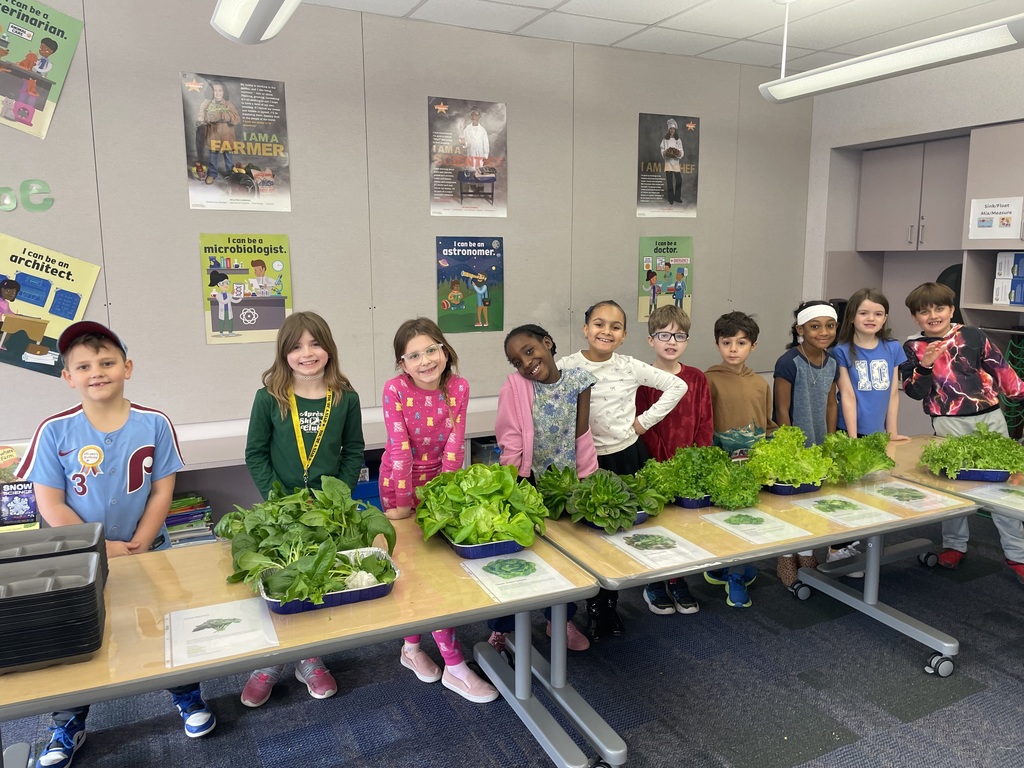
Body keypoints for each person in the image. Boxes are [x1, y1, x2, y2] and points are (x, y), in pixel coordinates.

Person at [16, 321, 216, 768]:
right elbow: (48, 501)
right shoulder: (54, 431)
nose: (97, 372)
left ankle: (187, 695)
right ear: (68, 377)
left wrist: (143, 538)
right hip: (80, 559)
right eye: (83, 366)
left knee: (165, 624)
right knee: (80, 635)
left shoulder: (154, 422)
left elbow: (163, 488)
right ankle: (67, 722)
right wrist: (98, 546)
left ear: (127, 367)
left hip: (149, 548)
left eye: (107, 362)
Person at [240, 311, 365, 707]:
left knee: (315, 583)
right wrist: (277, 498)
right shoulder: (269, 397)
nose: (306, 353)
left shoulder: (345, 398)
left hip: (327, 510)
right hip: (281, 509)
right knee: (278, 583)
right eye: (296, 346)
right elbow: (255, 453)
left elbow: (354, 452)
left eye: (314, 344)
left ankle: (309, 658)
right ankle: (270, 662)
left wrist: (336, 495)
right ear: (284, 353)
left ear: (328, 349)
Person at [379, 318, 499, 703]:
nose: (425, 360)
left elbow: (455, 443)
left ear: (445, 350)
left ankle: (411, 648)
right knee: (417, 572)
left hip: (441, 483)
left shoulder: (458, 387)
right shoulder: (394, 389)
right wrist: (401, 505)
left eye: (432, 349)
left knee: (438, 571)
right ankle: (455, 666)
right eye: (414, 355)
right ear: (402, 364)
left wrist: (443, 496)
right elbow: (399, 451)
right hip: (399, 482)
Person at [558, 300, 687, 640]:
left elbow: (678, 386)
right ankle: (580, 606)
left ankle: (607, 607)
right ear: (585, 329)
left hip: (625, 457)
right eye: (599, 324)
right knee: (586, 539)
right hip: (583, 461)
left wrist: (643, 423)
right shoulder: (566, 365)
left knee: (618, 536)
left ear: (624, 335)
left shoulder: (630, 366)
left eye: (615, 327)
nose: (606, 331)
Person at [900, 282, 1024, 583]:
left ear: (951, 310)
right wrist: (926, 365)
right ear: (915, 318)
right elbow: (914, 391)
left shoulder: (971, 335)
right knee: (951, 487)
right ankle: (955, 545)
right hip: (947, 422)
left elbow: (1000, 367)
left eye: (939, 308)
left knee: (1002, 488)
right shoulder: (912, 346)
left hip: (989, 419)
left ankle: (1017, 555)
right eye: (924, 311)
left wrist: (1018, 393)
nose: (933, 315)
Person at [490, 324, 598, 653]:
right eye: (517, 360)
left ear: (547, 343)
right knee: (517, 557)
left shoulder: (579, 380)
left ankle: (559, 619)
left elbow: (581, 434)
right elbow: (509, 437)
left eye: (529, 351)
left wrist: (587, 479)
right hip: (527, 482)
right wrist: (508, 486)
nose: (526, 363)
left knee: (565, 558)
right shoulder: (515, 386)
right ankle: (502, 627)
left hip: (565, 484)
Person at [635, 305, 712, 614]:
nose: (672, 341)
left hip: (689, 464)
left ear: (687, 341)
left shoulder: (697, 378)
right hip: (654, 463)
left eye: (679, 336)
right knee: (656, 524)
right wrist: (664, 462)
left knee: (684, 526)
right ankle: (654, 581)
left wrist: (696, 459)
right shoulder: (642, 378)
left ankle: (678, 579)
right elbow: (641, 424)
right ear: (651, 339)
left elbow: (705, 421)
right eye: (664, 335)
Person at [829, 289, 909, 576]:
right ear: (852, 317)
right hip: (849, 433)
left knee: (873, 493)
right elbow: (847, 395)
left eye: (878, 313)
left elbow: (893, 393)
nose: (871, 318)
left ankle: (858, 543)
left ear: (885, 317)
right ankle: (838, 550)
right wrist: (852, 439)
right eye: (864, 313)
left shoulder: (892, 348)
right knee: (848, 494)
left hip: (878, 435)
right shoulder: (841, 350)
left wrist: (892, 432)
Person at [703, 311, 774, 606]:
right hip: (720, 461)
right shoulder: (709, 379)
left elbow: (766, 423)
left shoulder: (760, 384)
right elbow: (704, 422)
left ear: (753, 346)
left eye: (741, 343)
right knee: (722, 519)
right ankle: (728, 569)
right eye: (727, 342)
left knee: (747, 519)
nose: (733, 349)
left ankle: (734, 571)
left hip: (752, 463)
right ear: (718, 344)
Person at [773, 300, 839, 588]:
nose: (823, 332)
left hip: (819, 443)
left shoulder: (833, 362)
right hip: (794, 447)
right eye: (815, 326)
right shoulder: (788, 362)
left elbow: (830, 404)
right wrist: (790, 447)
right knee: (791, 504)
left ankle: (807, 551)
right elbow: (781, 409)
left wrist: (831, 440)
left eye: (829, 325)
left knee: (814, 503)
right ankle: (786, 555)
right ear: (800, 329)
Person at [196, 79, 240, 184]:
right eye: (215, 90)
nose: (217, 93)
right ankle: (212, 173)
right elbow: (201, 118)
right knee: (212, 157)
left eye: (220, 90)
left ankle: (230, 173)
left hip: (227, 137)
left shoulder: (229, 104)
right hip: (213, 136)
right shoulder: (207, 104)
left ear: (223, 92)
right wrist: (209, 117)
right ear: (212, 92)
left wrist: (223, 116)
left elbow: (237, 119)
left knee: (228, 157)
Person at [209, 270, 241, 337]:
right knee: (222, 321)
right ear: (218, 284)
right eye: (223, 283)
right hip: (222, 311)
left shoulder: (229, 294)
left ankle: (230, 332)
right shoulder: (218, 295)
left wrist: (240, 297)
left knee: (230, 321)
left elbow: (234, 301)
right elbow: (224, 301)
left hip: (228, 310)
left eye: (227, 283)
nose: (226, 285)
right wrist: (231, 295)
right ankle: (221, 332)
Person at [661, 118, 684, 204]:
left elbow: (681, 150)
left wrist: (678, 154)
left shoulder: (678, 140)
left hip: (675, 163)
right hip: (668, 162)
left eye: (673, 129)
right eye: (671, 128)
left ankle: (677, 197)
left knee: (679, 180)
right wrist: (665, 153)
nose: (672, 130)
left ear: (675, 130)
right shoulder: (665, 139)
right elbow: (662, 149)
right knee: (669, 181)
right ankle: (671, 199)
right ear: (668, 129)